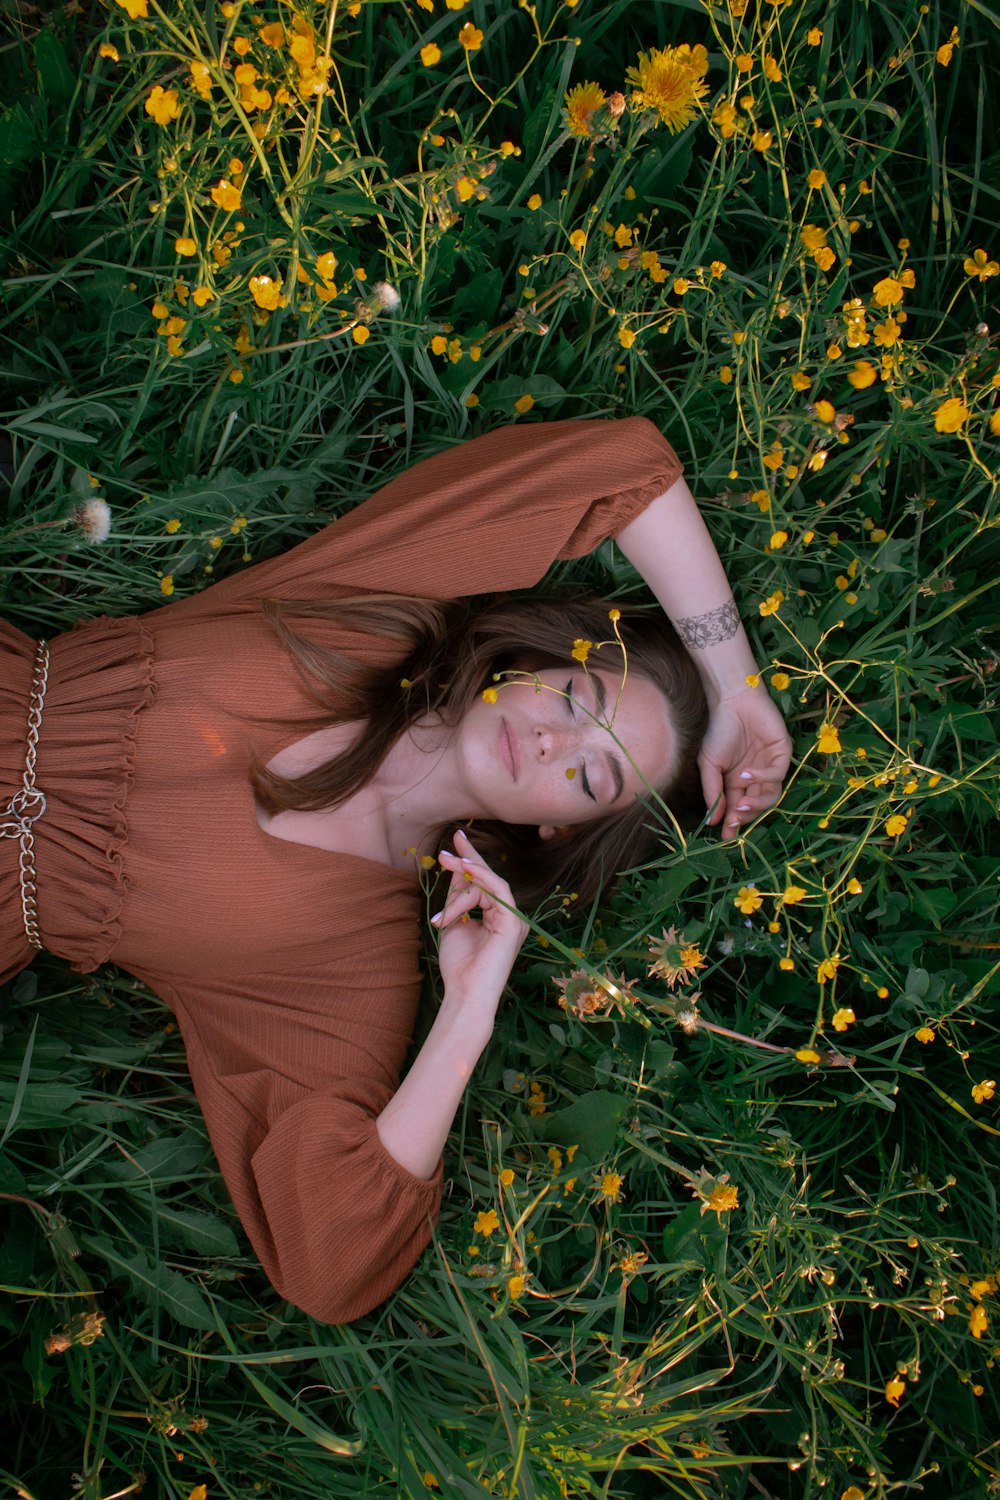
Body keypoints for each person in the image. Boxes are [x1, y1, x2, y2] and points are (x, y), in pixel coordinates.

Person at [1, 416, 791, 1322]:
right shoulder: (373, 611)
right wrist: (737, 686)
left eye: (591, 773)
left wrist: (466, 1017)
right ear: (532, 663)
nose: (549, 740)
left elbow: (332, 1264)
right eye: (576, 697)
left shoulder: (348, 960)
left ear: (559, 832)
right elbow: (624, 470)